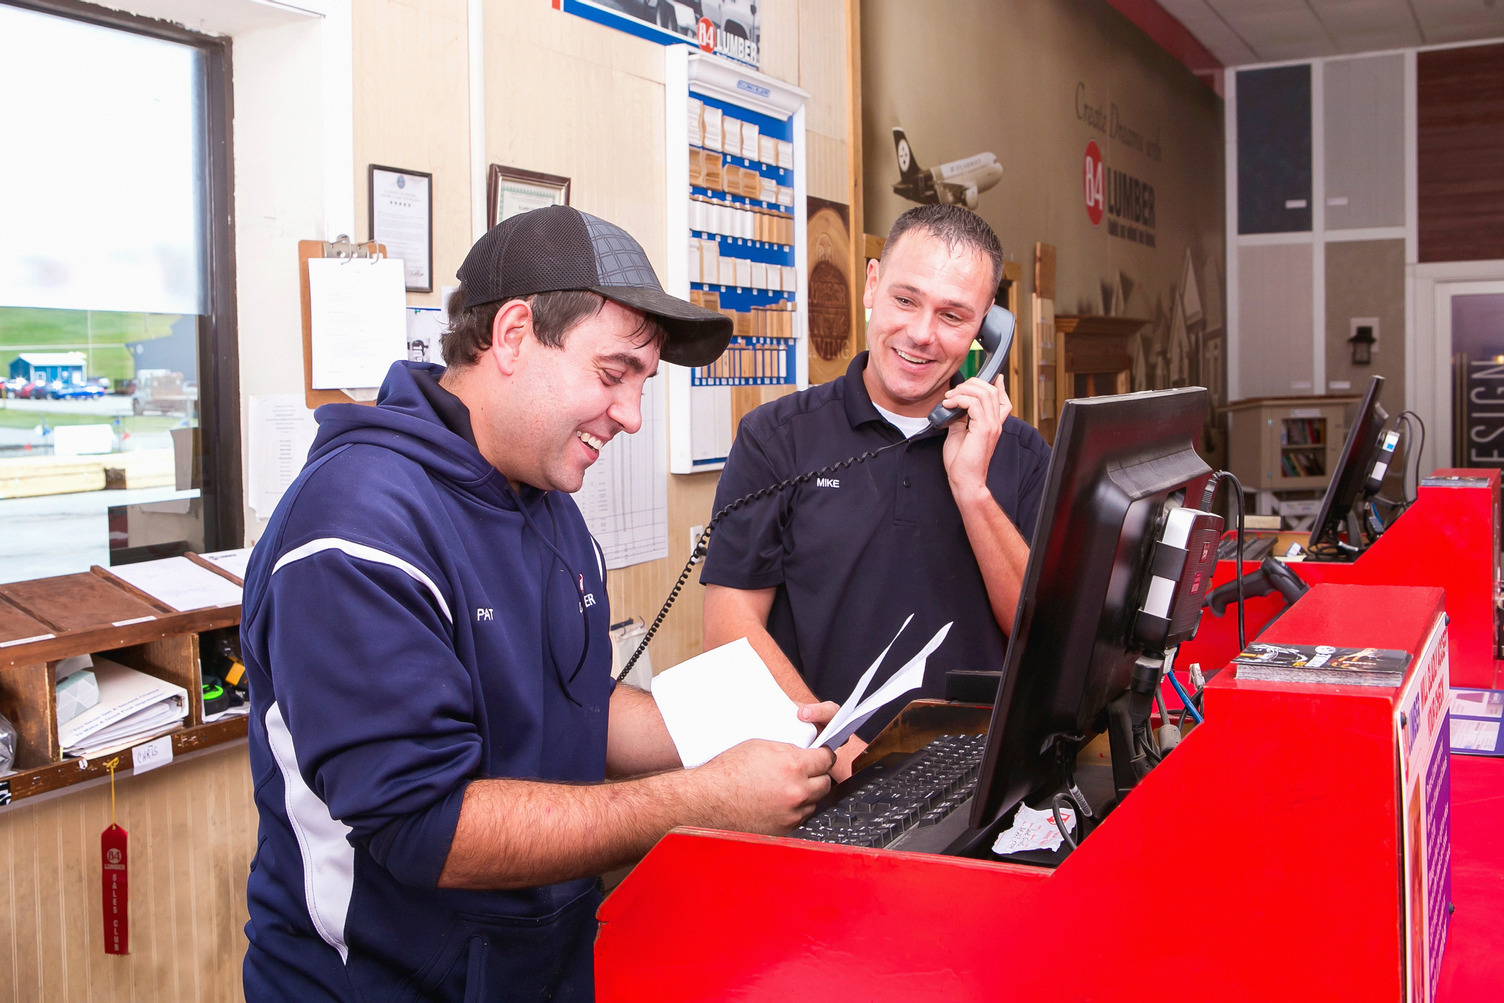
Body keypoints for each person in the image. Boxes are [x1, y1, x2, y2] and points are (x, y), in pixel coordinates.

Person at [240, 205, 837, 1001]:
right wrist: (707, 798)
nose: (629, 415)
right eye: (613, 372)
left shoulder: (543, 495)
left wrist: (767, 732)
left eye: (641, 384)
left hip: (544, 968)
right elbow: (426, 826)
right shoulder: (354, 528)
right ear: (515, 335)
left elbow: (577, 706)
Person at [701, 204, 1051, 779]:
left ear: (987, 327)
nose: (921, 334)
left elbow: (1038, 633)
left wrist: (972, 491)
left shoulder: (1022, 452)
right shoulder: (775, 439)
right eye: (906, 300)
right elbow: (729, 626)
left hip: (979, 779)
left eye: (953, 315)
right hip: (818, 777)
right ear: (871, 284)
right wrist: (840, 754)